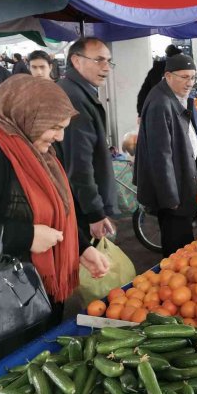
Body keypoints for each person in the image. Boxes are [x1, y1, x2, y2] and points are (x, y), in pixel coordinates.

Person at [0, 74, 109, 394]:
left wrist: (81, 248)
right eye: (55, 127)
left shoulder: (37, 149)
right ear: (25, 116)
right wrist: (26, 237)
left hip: (31, 297)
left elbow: (58, 210)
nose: (60, 137)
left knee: (31, 381)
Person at [134, 54, 197, 257]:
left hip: (181, 183)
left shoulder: (173, 96)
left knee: (182, 239)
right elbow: (160, 156)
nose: (189, 83)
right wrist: (170, 197)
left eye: (193, 77)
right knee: (178, 245)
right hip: (174, 194)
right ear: (168, 76)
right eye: (184, 77)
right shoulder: (160, 103)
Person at [57, 37, 119, 243]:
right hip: (80, 207)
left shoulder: (77, 91)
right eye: (99, 60)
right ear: (76, 60)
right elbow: (80, 163)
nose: (106, 67)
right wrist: (94, 212)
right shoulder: (75, 98)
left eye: (108, 61)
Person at [136, 44, 182, 117]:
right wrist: (141, 113)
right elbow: (144, 93)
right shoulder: (159, 71)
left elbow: (143, 93)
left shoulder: (157, 70)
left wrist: (141, 113)